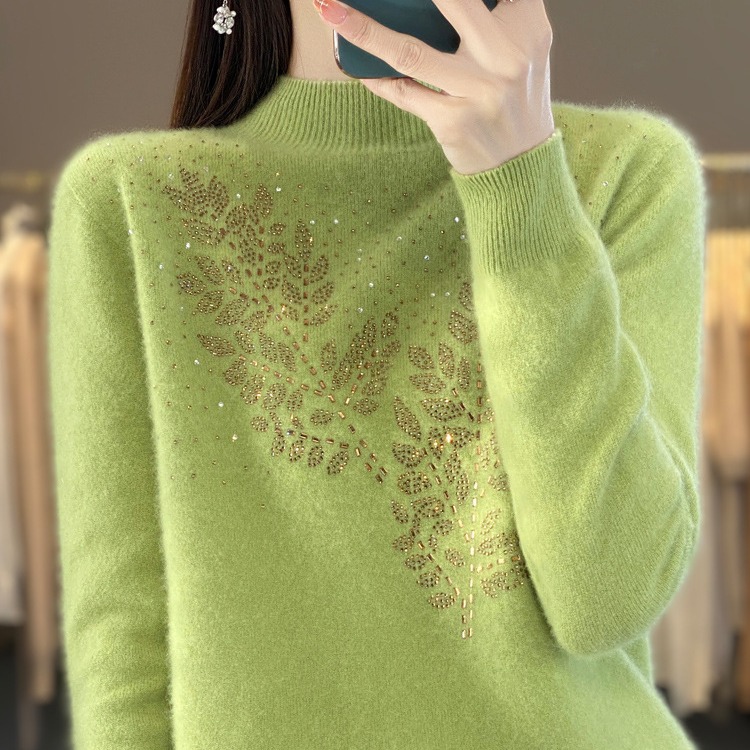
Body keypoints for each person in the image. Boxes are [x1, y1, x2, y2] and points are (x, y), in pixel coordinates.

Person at [46, 1, 708, 748]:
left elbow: (607, 601)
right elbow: (124, 636)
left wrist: (521, 186)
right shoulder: (129, 201)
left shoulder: (625, 173)